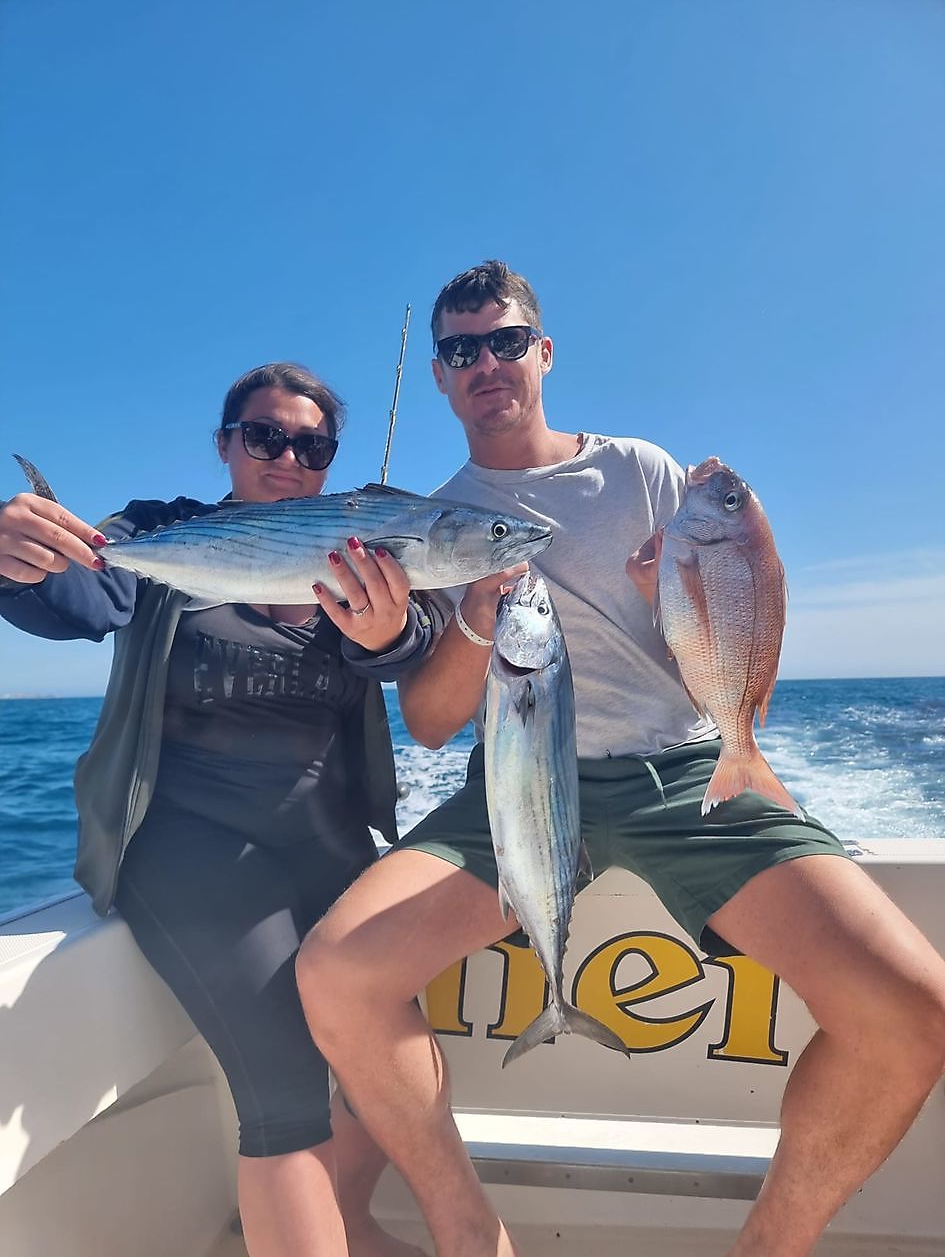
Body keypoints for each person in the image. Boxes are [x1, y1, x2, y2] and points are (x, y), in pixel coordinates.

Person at [296, 263, 945, 1257]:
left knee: (911, 1010)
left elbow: (731, 621)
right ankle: (470, 1234)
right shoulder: (426, 523)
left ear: (543, 353)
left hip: (681, 773)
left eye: (506, 341)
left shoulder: (641, 470)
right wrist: (472, 620)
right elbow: (428, 723)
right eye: (462, 349)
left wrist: (662, 595)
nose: (486, 363)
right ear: (439, 375)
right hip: (513, 783)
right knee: (338, 972)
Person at [0, 362, 437, 1257]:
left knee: (385, 1053)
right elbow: (78, 597)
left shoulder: (360, 546)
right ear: (225, 444)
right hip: (188, 844)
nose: (288, 458)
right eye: (265, 436)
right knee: (283, 1091)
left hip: (328, 839)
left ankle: (352, 1224)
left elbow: (411, 647)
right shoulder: (162, 530)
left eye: (312, 445)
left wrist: (393, 631)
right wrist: (17, 561)